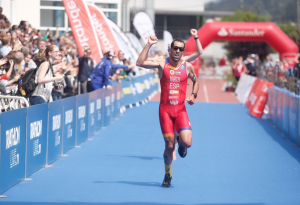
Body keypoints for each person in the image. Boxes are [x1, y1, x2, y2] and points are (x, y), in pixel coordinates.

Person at [136, 35, 199, 188]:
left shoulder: (187, 66)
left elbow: (196, 81)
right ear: (170, 49)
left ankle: (182, 144)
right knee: (169, 146)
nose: (177, 51)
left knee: (187, 143)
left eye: (180, 49)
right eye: (175, 48)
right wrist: (149, 44)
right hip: (165, 111)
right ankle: (167, 174)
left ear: (183, 52)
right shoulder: (161, 64)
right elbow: (140, 62)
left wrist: (193, 94)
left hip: (181, 110)